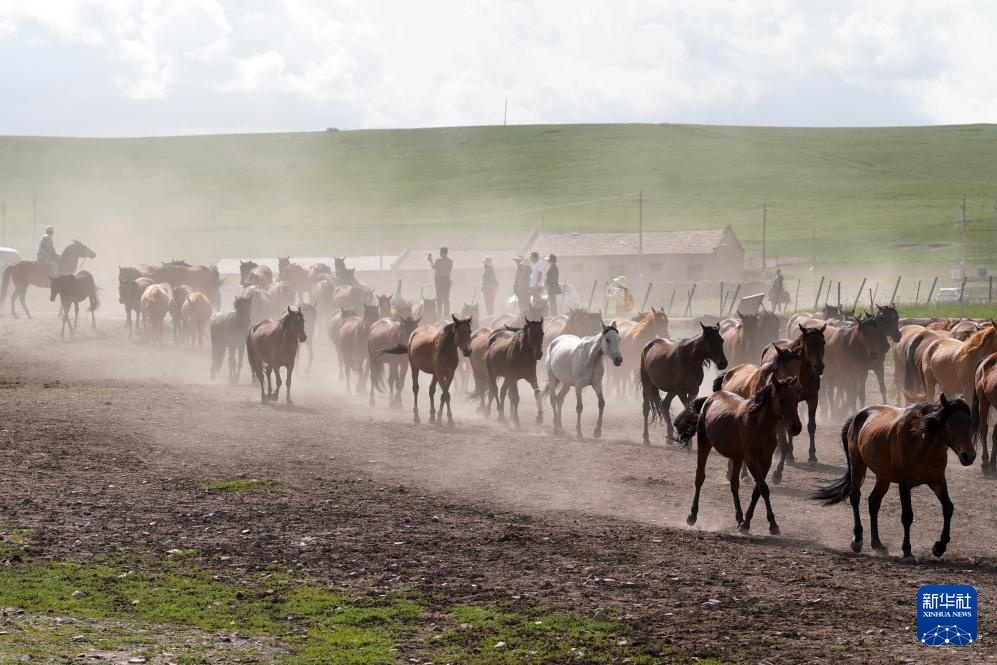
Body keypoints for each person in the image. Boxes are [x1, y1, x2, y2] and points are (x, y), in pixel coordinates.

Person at [427, 246, 454, 318]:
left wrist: (430, 260)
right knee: (446, 299)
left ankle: (439, 315)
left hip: (439, 281)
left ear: (442, 253)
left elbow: (433, 267)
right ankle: (446, 315)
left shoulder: (438, 261)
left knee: (439, 299)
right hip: (447, 281)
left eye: (440, 252)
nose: (440, 254)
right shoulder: (450, 261)